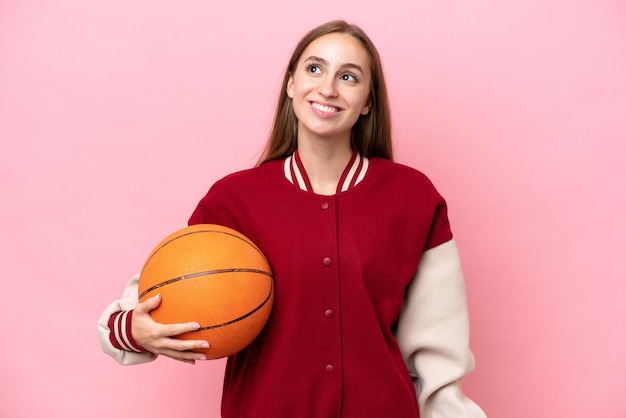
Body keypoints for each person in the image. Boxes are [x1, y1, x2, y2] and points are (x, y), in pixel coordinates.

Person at [98, 20, 486, 418]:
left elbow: (441, 354)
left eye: (348, 77)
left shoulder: (413, 197)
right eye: (314, 69)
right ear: (290, 84)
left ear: (368, 100)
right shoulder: (234, 201)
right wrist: (134, 330)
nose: (328, 88)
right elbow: (134, 314)